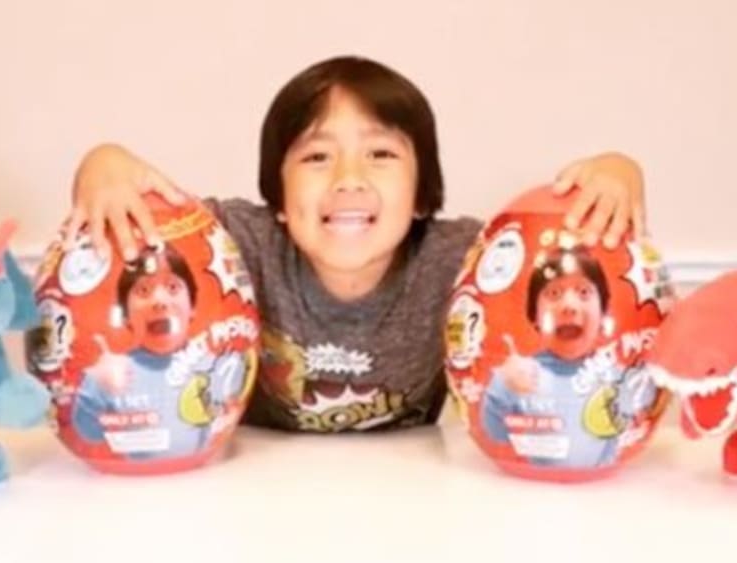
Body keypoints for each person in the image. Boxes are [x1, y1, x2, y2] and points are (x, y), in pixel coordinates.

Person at [66, 55, 649, 433]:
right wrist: (102, 162)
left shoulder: (466, 261)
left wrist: (618, 170)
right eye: (317, 156)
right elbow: (137, 199)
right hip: (255, 489)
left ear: (421, 194)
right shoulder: (235, 247)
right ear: (277, 196)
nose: (349, 178)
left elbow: (556, 255)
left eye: (381, 153)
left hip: (407, 494)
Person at [481, 245, 658, 468]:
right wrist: (502, 386)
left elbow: (645, 409)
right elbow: (494, 434)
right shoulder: (519, 375)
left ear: (603, 312)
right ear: (534, 315)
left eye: (583, 292)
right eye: (554, 293)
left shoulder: (617, 378)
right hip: (531, 486)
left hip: (605, 487)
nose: (569, 306)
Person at [71, 243, 247, 458]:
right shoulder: (113, 370)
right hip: (134, 480)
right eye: (143, 290)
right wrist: (97, 388)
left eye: (172, 288)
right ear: (125, 315)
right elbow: (88, 434)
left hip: (206, 474)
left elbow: (219, 424)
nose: (159, 301)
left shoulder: (214, 366)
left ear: (192, 306)